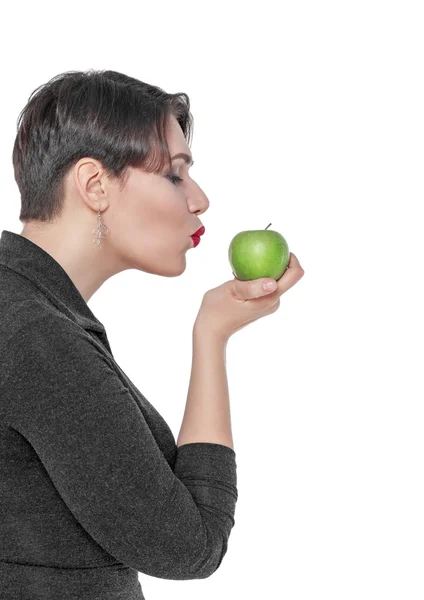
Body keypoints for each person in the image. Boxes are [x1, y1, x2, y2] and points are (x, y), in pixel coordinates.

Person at [0, 69, 304, 599]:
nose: (200, 199)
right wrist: (211, 337)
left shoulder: (25, 310)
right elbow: (190, 545)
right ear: (95, 185)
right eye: (175, 175)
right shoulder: (37, 338)